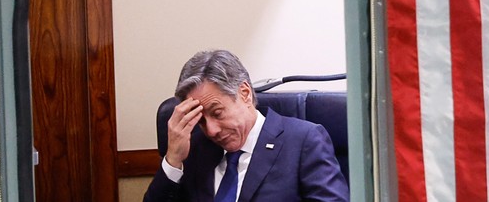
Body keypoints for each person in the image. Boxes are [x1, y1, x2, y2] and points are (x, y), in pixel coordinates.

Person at [143, 49, 349, 202]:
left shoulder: (303, 141)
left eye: (217, 113)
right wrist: (173, 159)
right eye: (201, 121)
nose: (212, 130)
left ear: (245, 94)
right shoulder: (195, 150)